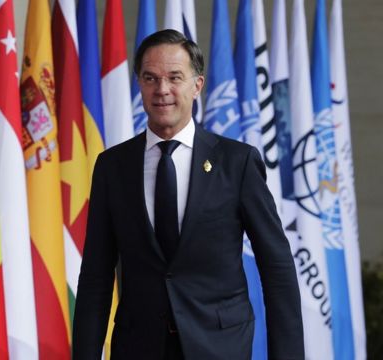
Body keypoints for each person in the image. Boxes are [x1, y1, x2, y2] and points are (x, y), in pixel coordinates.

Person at [72, 29, 304, 360]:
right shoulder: (113, 167)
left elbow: (277, 267)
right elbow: (95, 275)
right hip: (138, 347)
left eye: (174, 78)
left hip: (219, 347)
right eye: (150, 78)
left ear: (197, 85)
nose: (162, 89)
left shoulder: (237, 162)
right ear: (139, 83)